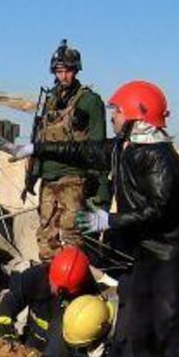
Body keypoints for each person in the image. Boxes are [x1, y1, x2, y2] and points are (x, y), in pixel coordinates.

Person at [10, 80, 179, 357]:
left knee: (166, 323)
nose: (113, 116)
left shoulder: (160, 158)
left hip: (167, 254)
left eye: (118, 111)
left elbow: (159, 209)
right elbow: (82, 150)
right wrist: (37, 148)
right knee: (138, 321)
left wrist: (109, 221)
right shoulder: (121, 148)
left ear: (139, 115)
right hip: (139, 251)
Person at [29, 39, 107, 261]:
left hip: (74, 178)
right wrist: (32, 176)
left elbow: (98, 148)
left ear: (76, 71)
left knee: (72, 235)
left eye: (68, 70)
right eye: (59, 70)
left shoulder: (89, 101)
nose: (63, 76)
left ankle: (75, 285)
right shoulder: (49, 100)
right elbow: (40, 138)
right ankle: (50, 284)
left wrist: (101, 192)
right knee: (46, 236)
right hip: (48, 177)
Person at [0, 246, 100, 357]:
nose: (52, 287)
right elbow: (13, 297)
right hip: (33, 337)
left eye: (57, 288)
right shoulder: (35, 276)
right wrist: (4, 323)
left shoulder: (87, 301)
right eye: (52, 282)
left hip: (61, 351)